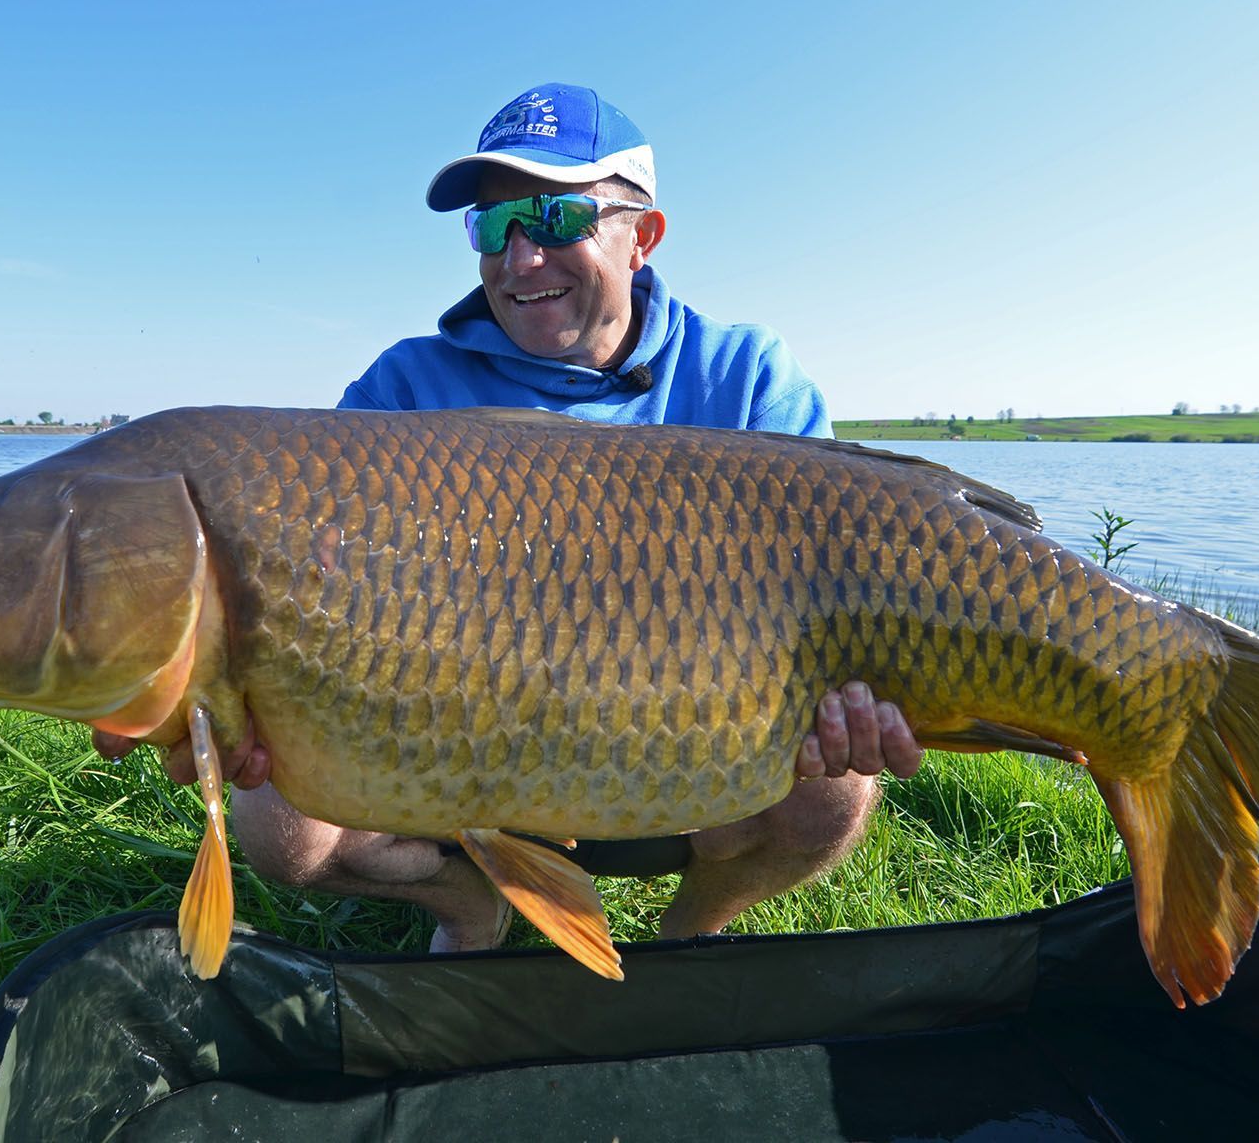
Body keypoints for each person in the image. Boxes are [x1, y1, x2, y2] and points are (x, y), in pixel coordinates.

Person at [103, 83, 924, 953]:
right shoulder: (403, 391)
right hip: (455, 761)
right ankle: (470, 907)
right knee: (282, 829)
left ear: (640, 237)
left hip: (687, 762)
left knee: (836, 786)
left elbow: (844, 578)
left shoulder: (748, 379)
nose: (522, 259)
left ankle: (686, 936)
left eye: (556, 218)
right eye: (493, 229)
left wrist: (864, 704)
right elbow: (298, 576)